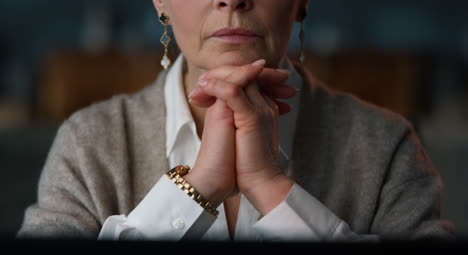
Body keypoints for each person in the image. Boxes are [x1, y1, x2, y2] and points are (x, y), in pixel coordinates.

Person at [17, 0, 453, 241]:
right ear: (161, 3)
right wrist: (196, 189)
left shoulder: (385, 144)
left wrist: (269, 186)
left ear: (301, 3)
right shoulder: (89, 141)